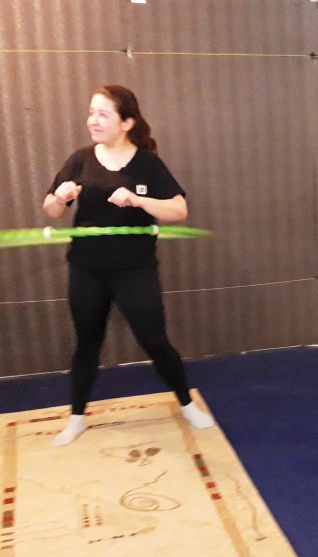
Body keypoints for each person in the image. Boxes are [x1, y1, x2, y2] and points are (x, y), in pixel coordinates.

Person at [44, 84, 214, 446]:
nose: (93, 120)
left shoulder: (147, 163)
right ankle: (76, 417)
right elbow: (52, 211)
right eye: (91, 112)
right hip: (86, 269)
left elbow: (179, 210)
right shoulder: (80, 160)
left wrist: (139, 201)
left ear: (126, 123)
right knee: (87, 343)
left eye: (103, 114)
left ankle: (187, 404)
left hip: (134, 269)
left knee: (155, 342)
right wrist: (59, 197)